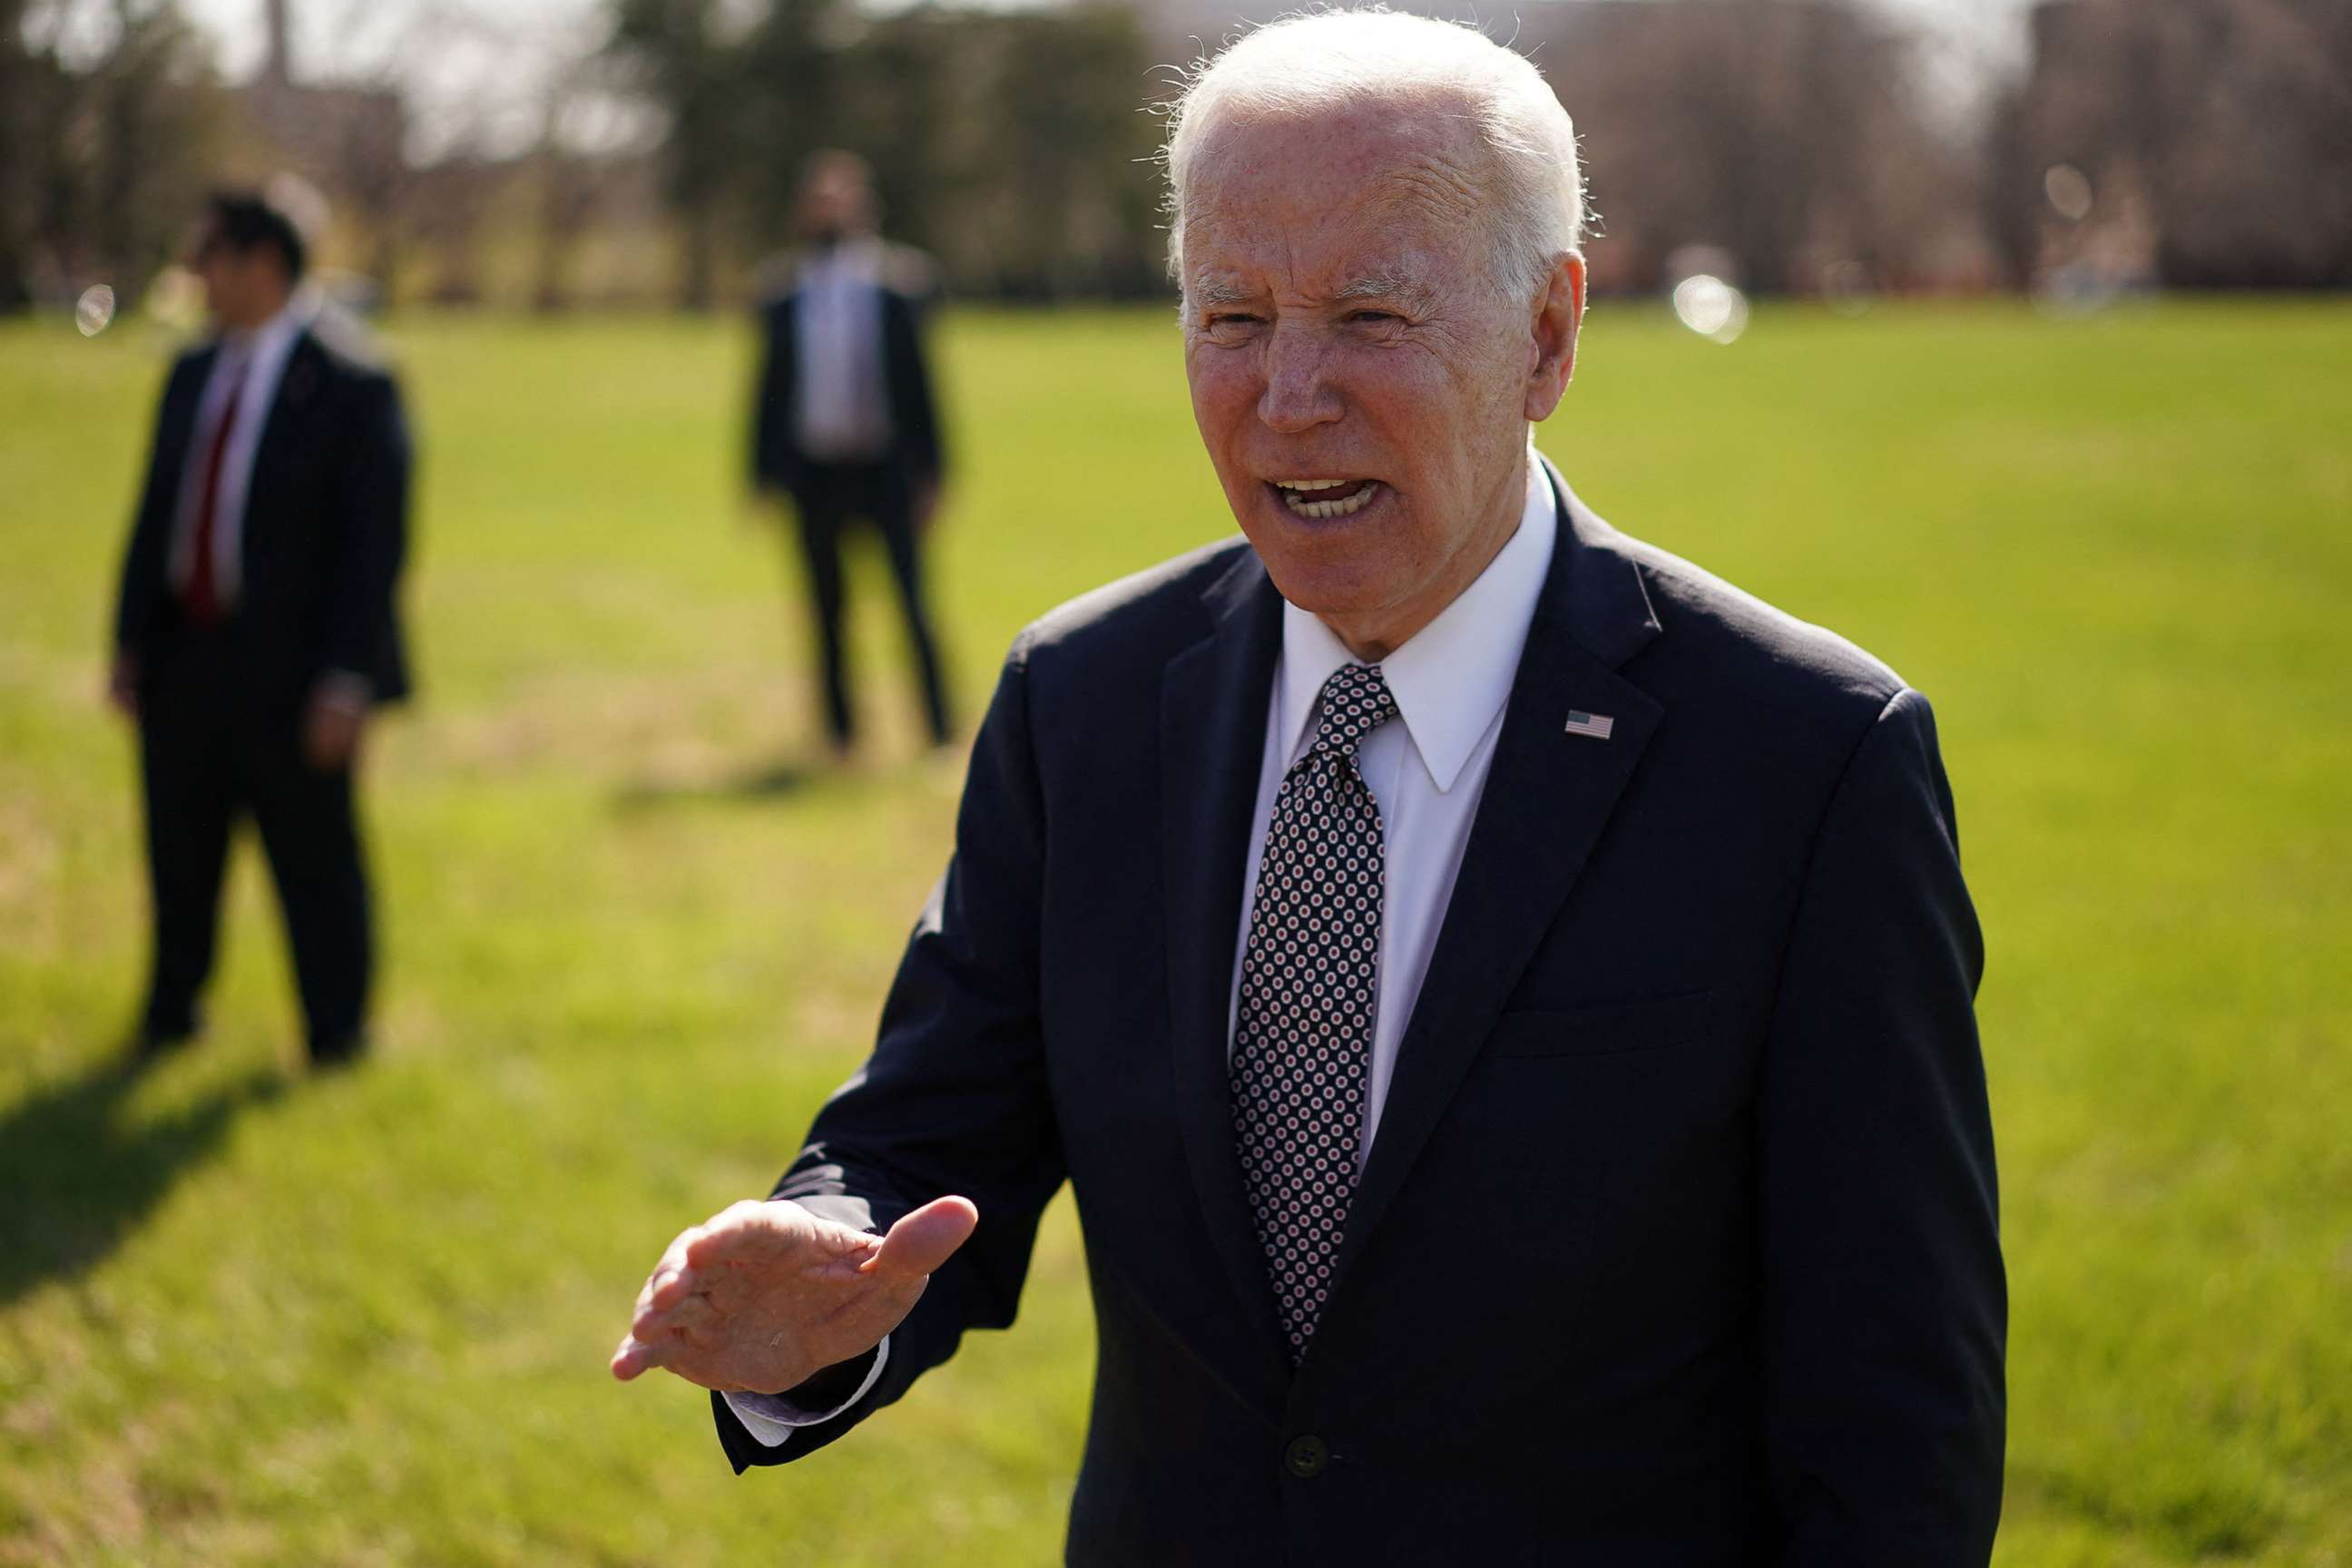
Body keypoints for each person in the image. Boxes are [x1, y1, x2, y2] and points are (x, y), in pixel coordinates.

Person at [616, 13, 2005, 1562]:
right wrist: (831, 1260)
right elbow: (936, 1135)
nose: (1285, 395)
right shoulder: (1079, 703)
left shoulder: (1804, 760)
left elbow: (1894, 1422)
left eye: (1366, 314)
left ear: (1547, 334)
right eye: (1229, 316)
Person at [108, 188, 412, 1070]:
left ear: (263, 265)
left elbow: (373, 550)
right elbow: (155, 514)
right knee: (179, 848)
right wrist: (133, 641)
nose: (196, 274)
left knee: (314, 856)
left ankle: (337, 1036)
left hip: (295, 673)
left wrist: (346, 680)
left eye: (211, 256)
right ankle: (172, 1011)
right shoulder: (192, 371)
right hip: (185, 657)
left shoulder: (354, 382)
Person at [749, 151, 953, 758]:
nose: (830, 210)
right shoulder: (784, 291)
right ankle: (840, 737)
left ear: (864, 206)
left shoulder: (899, 285)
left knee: (912, 605)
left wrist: (935, 472)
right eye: (820, 199)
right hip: (815, 473)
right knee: (826, 610)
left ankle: (938, 731)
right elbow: (766, 390)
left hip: (885, 469)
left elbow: (925, 385)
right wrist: (760, 473)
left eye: (842, 198)